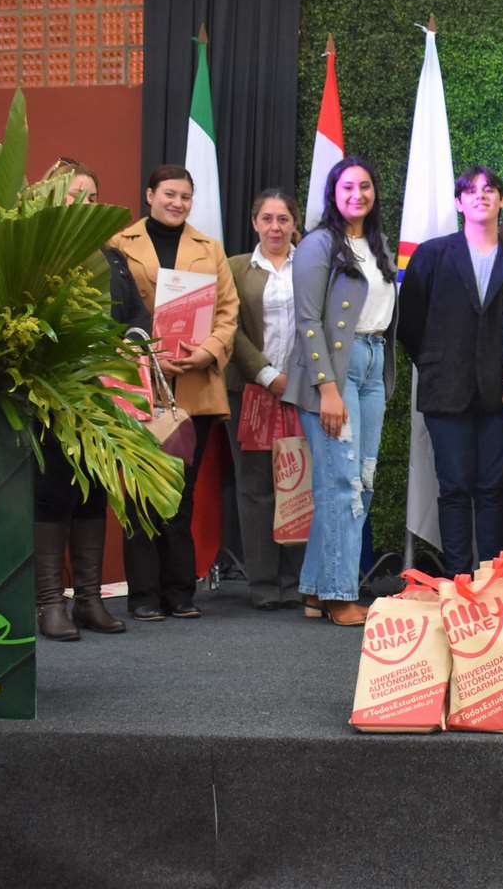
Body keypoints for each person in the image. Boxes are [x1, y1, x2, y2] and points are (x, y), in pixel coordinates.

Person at [108, 165, 240, 622]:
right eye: (169, 194)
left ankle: (180, 592)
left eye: (185, 196)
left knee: (182, 492)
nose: (177, 203)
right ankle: (143, 594)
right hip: (139, 385)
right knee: (139, 492)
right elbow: (112, 312)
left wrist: (206, 352)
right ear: (149, 195)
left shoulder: (210, 248)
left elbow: (228, 312)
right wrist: (146, 357)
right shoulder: (119, 245)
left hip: (195, 384)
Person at [285, 156, 399, 627]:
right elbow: (308, 320)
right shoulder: (318, 245)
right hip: (335, 372)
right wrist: (327, 390)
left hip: (373, 365)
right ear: (333, 193)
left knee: (361, 481)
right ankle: (339, 596)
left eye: (365, 186)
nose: (358, 194)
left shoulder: (378, 244)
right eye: (348, 186)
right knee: (341, 484)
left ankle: (316, 589)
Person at [32, 161, 142, 640]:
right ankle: (49, 604)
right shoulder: (37, 250)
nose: (86, 203)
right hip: (52, 392)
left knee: (94, 491)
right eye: (76, 194)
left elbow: (137, 314)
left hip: (104, 393)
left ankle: (90, 600)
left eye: (93, 196)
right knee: (53, 491)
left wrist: (133, 342)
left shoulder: (113, 257)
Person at [397, 167, 503, 577]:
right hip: (445, 390)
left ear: (501, 200)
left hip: (500, 392)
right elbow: (409, 322)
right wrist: (437, 362)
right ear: (458, 202)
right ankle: (459, 578)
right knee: (454, 489)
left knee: (494, 489)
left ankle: (492, 579)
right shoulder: (432, 254)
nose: (481, 195)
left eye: (490, 189)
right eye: (471, 190)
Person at [223, 188, 306, 609]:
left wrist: (297, 379)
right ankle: (263, 584)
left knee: (298, 483)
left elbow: (322, 324)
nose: (275, 227)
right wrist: (267, 374)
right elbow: (229, 327)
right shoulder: (235, 268)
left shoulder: (311, 266)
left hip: (302, 391)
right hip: (251, 391)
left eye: (283, 219)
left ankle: (296, 581)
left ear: (295, 223)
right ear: (255, 222)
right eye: (267, 219)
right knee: (255, 487)